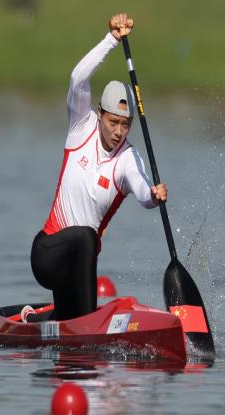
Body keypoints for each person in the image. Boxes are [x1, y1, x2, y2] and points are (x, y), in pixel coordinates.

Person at [30, 13, 167, 321]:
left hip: (76, 268)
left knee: (66, 322)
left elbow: (144, 191)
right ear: (100, 114)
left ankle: (32, 318)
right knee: (85, 237)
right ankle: (89, 323)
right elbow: (78, 78)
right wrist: (112, 40)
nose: (119, 131)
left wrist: (155, 196)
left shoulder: (127, 159)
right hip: (47, 255)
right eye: (113, 122)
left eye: (125, 124)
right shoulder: (81, 125)